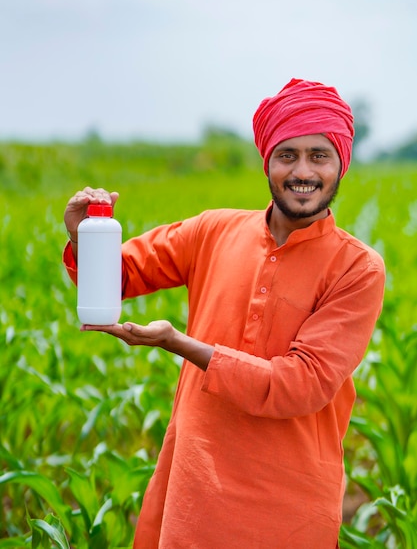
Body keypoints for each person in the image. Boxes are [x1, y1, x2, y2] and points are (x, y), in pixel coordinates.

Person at [63, 78, 385, 549]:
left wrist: (178, 343)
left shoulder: (356, 268)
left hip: (289, 506)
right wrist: (84, 237)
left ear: (341, 164)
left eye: (319, 155)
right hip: (195, 492)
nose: (303, 171)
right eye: (287, 154)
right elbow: (122, 276)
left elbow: (301, 384)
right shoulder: (215, 230)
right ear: (267, 162)